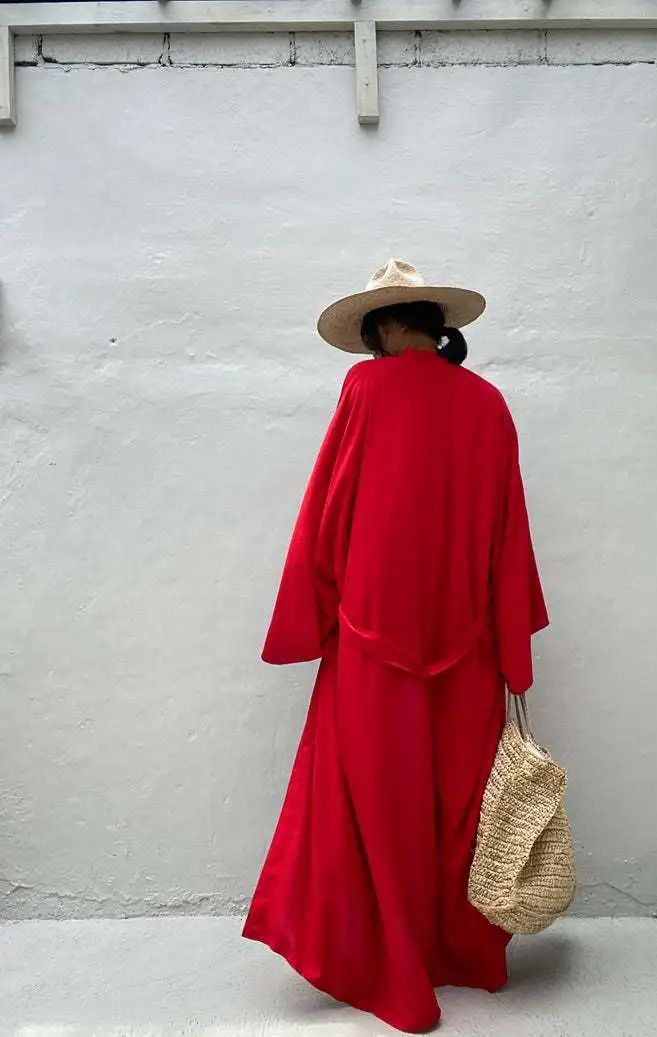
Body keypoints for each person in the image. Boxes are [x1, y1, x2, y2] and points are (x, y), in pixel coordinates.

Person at [241, 259, 549, 1033]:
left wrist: (312, 615)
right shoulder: (487, 403)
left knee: (376, 811)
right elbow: (509, 527)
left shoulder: (365, 389)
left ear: (381, 328)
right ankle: (466, 957)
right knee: (460, 811)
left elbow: (329, 506)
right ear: (434, 323)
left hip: (372, 644)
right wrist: (512, 647)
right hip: (469, 645)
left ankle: (403, 978)